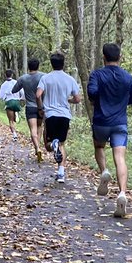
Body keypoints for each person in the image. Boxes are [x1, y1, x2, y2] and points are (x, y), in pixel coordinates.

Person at [87, 42, 132, 217]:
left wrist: (102, 98)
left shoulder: (97, 74)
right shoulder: (129, 77)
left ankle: (104, 171)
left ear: (103, 57)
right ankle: (122, 193)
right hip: (120, 122)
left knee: (99, 147)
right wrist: (122, 101)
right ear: (120, 57)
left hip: (101, 121)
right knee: (120, 157)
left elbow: (92, 93)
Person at [36, 52, 83, 184]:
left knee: (48, 145)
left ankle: (53, 145)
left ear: (52, 63)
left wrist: (40, 109)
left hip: (50, 114)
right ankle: (61, 173)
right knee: (62, 144)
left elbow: (38, 94)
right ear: (64, 63)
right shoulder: (70, 79)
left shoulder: (46, 78)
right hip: (65, 115)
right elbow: (78, 99)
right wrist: (69, 100)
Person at [13, 59, 45, 162]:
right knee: (40, 126)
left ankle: (37, 148)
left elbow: (14, 90)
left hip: (30, 107)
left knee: (33, 129)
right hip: (41, 106)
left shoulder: (23, 78)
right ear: (38, 66)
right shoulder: (44, 76)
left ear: (28, 67)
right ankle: (38, 147)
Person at [0, 69, 22, 140]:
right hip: (17, 101)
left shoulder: (3, 85)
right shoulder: (16, 82)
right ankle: (16, 114)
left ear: (5, 75)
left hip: (9, 102)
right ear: (12, 74)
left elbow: (0, 96)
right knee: (15, 116)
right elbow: (22, 92)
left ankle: (14, 134)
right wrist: (20, 98)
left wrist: (4, 98)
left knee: (11, 121)